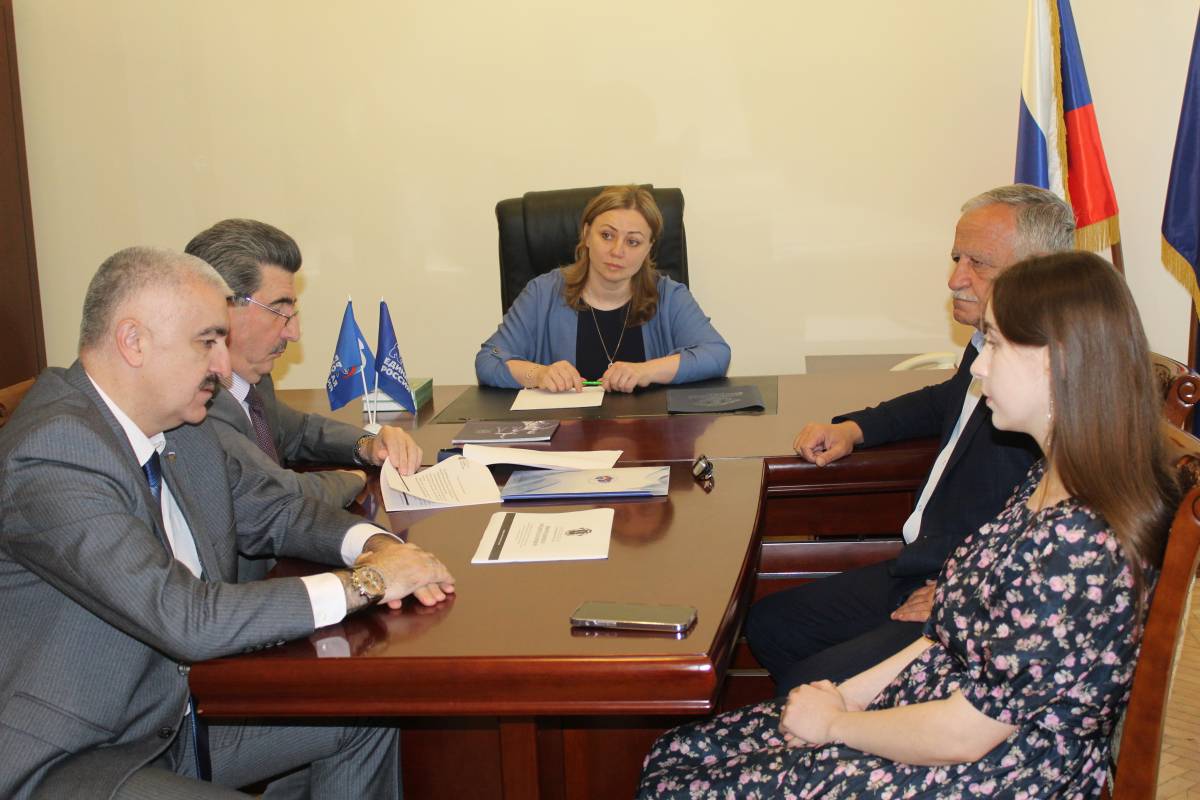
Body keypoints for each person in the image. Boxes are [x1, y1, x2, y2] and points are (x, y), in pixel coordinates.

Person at [639, 250, 1177, 799]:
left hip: (990, 771)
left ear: (1057, 361)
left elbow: (970, 733)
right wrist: (847, 697)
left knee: (683, 787)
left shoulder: (1079, 541)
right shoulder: (1045, 477)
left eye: (995, 344)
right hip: (936, 710)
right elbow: (943, 639)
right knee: (678, 754)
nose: (979, 366)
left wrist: (835, 724)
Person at [0, 247, 455, 799]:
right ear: (133, 341)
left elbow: (278, 511)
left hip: (172, 714)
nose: (222, 365)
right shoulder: (55, 451)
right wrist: (369, 583)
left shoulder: (180, 425)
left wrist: (379, 546)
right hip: (76, 756)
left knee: (365, 711)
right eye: (207, 341)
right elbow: (184, 617)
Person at [746, 184, 1074, 694]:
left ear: (1038, 271)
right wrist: (855, 429)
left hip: (970, 589)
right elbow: (950, 399)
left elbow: (1050, 543)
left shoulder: (1051, 383)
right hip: (927, 561)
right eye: (956, 258)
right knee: (772, 625)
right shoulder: (993, 343)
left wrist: (960, 591)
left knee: (812, 683)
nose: (955, 279)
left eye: (978, 263)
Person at [186, 219, 422, 514]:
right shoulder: (198, 404)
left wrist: (368, 446)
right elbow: (278, 494)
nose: (294, 333)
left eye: (293, 312)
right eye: (279, 312)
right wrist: (354, 480)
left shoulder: (253, 380)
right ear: (223, 308)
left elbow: (299, 431)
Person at [475, 184, 730, 392]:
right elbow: (488, 361)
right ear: (587, 234)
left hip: (651, 434)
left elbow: (716, 354)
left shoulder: (669, 296)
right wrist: (539, 374)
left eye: (633, 241)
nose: (617, 251)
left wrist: (645, 371)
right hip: (566, 436)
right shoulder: (543, 293)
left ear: (649, 248)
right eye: (607, 235)